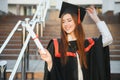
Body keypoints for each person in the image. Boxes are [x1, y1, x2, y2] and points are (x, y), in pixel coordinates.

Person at [38, 1, 113, 80]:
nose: (66, 24)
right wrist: (49, 61)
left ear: (77, 22)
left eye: (69, 20)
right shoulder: (56, 45)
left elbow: (108, 39)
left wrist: (96, 18)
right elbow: (53, 74)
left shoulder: (88, 44)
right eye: (63, 22)